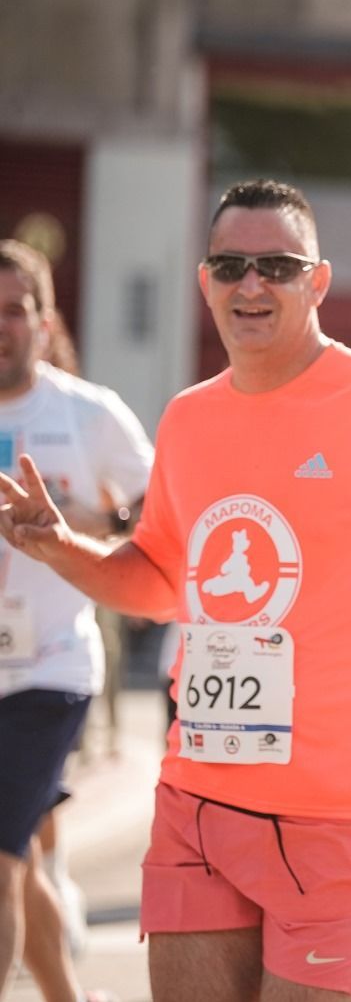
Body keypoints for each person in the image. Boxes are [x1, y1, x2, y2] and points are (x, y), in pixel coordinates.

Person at [0, 179, 351, 1001]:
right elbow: (162, 581)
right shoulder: (188, 419)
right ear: (205, 280)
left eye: (277, 265)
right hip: (200, 794)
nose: (252, 284)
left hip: (342, 810)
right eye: (232, 265)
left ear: (318, 281)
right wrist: (62, 546)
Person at [0, 239, 150, 1002]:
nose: (2, 327)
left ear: (43, 318)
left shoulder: (86, 413)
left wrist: (91, 518)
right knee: (13, 859)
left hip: (50, 667)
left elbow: (159, 512)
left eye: (14, 310)